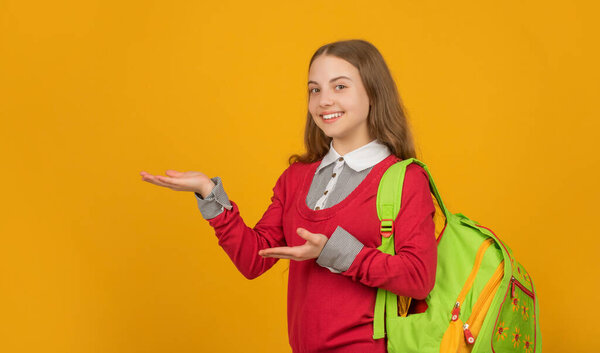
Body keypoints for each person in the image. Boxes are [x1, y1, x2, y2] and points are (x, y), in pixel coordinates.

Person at [140, 39, 437, 353]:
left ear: (373, 93)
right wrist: (209, 193)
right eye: (315, 89)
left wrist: (334, 250)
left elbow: (418, 277)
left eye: (339, 87)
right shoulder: (296, 178)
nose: (324, 101)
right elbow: (253, 260)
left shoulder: (405, 178)